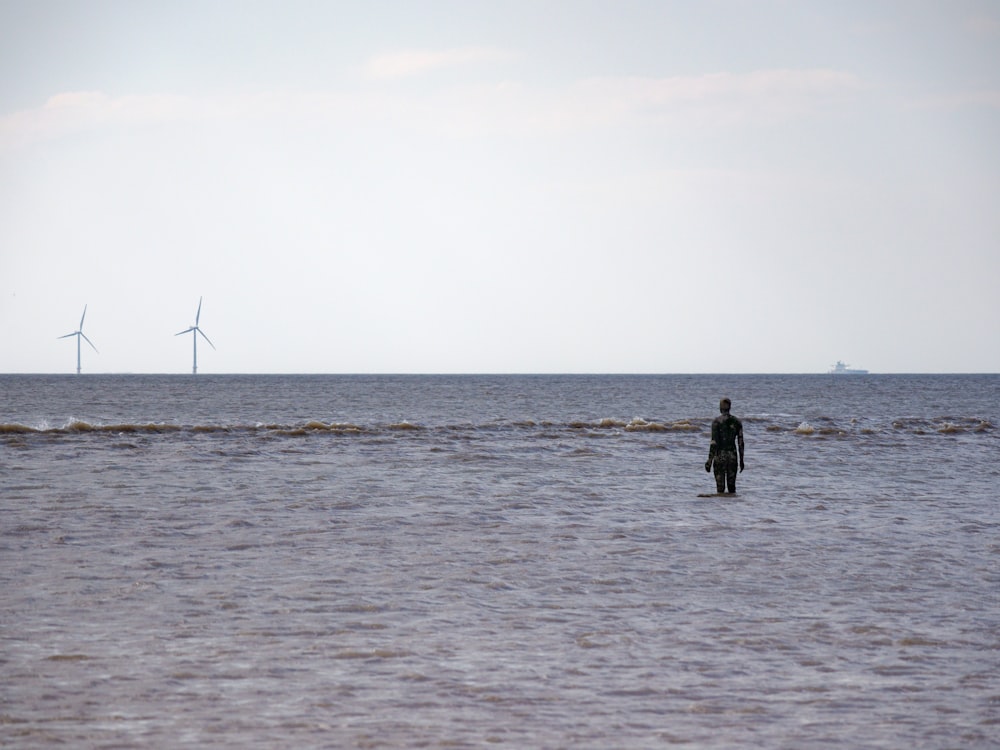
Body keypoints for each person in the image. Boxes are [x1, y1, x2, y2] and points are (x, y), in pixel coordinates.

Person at [705, 398, 745, 494]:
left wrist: (709, 461)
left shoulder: (716, 422)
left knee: (720, 488)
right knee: (732, 488)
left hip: (719, 456)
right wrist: (741, 460)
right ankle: (732, 507)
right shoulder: (737, 422)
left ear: (720, 408)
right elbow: (741, 443)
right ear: (730, 407)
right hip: (732, 456)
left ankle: (720, 507)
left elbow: (714, 442)